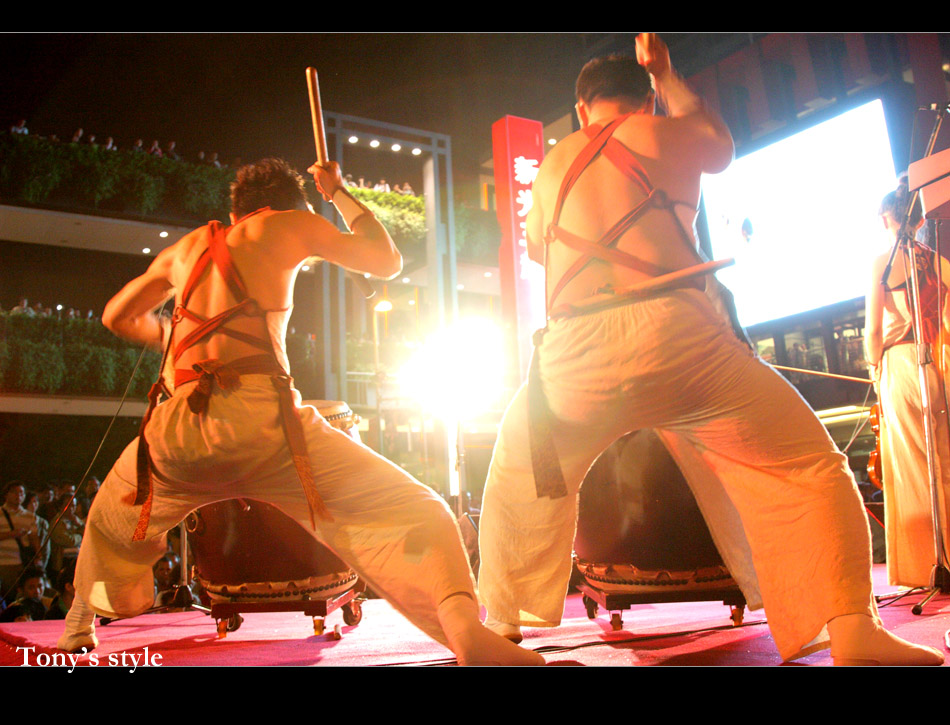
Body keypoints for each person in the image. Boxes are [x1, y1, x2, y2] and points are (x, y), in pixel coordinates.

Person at [477, 33, 943, 666]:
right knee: (809, 467)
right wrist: (667, 74)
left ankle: (500, 626)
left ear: (581, 109)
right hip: (679, 338)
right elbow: (719, 147)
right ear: (645, 101)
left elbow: (538, 249)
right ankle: (851, 629)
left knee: (519, 471)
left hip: (575, 350)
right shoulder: (663, 130)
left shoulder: (555, 161)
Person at [56, 157, 541, 666]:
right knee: (421, 510)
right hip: (262, 425)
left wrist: (175, 342)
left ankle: (77, 626)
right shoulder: (286, 222)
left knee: (109, 513)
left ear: (235, 210)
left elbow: (116, 316)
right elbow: (386, 260)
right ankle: (464, 632)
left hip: (178, 431)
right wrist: (338, 193)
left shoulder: (185, 248)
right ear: (288, 204)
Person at [864, 185, 950, 589]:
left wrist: (873, 368)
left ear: (887, 218)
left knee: (911, 466)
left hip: (899, 364)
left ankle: (923, 566)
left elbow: (873, 332)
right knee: (942, 462)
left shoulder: (883, 263)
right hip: (934, 366)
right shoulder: (938, 261)